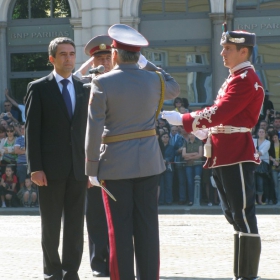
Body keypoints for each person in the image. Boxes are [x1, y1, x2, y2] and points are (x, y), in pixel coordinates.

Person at [162, 29, 264, 280]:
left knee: (242, 211)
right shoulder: (234, 77)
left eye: (228, 49)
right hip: (224, 151)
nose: (222, 53)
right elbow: (221, 113)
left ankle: (248, 274)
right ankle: (242, 273)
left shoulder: (244, 79)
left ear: (244, 51)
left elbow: (222, 111)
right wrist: (204, 132)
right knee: (232, 213)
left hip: (237, 152)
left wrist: (186, 119)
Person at [85, 24, 180, 280]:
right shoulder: (155, 80)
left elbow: (93, 129)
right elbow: (174, 87)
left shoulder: (101, 82)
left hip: (115, 166)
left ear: (114, 54)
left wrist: (91, 168)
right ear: (138, 55)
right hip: (149, 164)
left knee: (120, 230)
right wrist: (149, 65)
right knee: (148, 228)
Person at [25, 37, 89, 280]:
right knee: (50, 225)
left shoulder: (85, 87)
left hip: (78, 169)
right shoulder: (39, 88)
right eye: (63, 54)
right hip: (49, 171)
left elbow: (87, 131)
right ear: (52, 58)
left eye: (72, 54)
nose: (68, 58)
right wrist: (35, 168)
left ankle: (70, 271)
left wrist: (92, 167)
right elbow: (32, 131)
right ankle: (52, 271)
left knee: (75, 225)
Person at [76, 35, 112, 278]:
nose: (104, 62)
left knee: (119, 216)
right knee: (96, 216)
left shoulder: (121, 81)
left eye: (108, 57)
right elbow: (74, 80)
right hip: (94, 161)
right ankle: (99, 263)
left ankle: (118, 260)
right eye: (99, 58)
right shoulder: (86, 85)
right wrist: (89, 68)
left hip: (118, 159)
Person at [182, 133, 203, 206]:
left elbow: (200, 155)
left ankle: (198, 199)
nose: (191, 136)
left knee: (198, 182)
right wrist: (194, 154)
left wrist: (189, 157)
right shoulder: (186, 143)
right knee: (190, 182)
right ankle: (191, 200)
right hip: (188, 165)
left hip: (197, 164)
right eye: (190, 134)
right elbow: (183, 155)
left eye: (192, 134)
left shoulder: (199, 142)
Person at [253, 128, 270, 205]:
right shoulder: (253, 140)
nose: (261, 133)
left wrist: (256, 154)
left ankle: (260, 200)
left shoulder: (268, 142)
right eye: (260, 131)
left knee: (260, 182)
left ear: (265, 133)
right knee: (252, 182)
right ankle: (253, 200)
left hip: (262, 164)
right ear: (257, 133)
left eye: (263, 132)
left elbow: (262, 152)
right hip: (253, 163)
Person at [158, 132, 175, 205]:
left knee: (168, 185)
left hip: (168, 168)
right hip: (160, 168)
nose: (165, 138)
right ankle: (161, 200)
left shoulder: (171, 147)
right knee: (161, 185)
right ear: (161, 138)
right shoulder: (158, 147)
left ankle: (168, 200)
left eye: (167, 137)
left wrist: (166, 160)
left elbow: (172, 156)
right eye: (164, 137)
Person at [14, 123, 27, 189]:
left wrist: (23, 149)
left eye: (24, 128)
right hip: (21, 164)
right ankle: (22, 198)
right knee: (22, 182)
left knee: (33, 182)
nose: (22, 130)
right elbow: (17, 151)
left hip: (31, 163)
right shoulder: (18, 139)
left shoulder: (32, 138)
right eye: (21, 128)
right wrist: (27, 150)